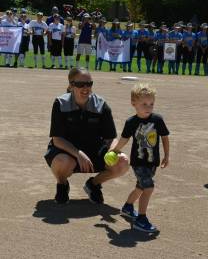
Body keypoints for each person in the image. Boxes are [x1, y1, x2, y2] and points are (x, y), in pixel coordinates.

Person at [44, 67, 129, 204]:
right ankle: (62, 184)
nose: (85, 88)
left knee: (122, 162)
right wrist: (78, 154)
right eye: (80, 84)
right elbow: (57, 139)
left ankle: (93, 184)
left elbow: (111, 137)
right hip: (68, 152)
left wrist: (113, 152)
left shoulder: (101, 105)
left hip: (94, 152)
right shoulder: (60, 104)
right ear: (71, 85)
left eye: (89, 84)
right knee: (63, 162)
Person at [111, 83, 169, 232]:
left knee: (141, 187)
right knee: (148, 187)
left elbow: (164, 137)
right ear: (134, 103)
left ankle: (128, 207)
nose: (148, 107)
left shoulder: (157, 119)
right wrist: (115, 151)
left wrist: (166, 155)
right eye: (144, 104)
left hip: (152, 162)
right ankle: (141, 219)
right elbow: (124, 139)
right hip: (138, 162)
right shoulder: (131, 122)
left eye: (151, 104)